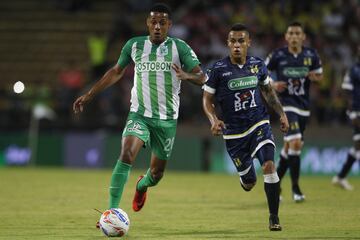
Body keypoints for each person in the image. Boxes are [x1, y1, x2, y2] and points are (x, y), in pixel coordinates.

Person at [73, 3, 205, 224]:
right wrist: (90, 94)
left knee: (157, 174)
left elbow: (202, 77)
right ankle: (111, 213)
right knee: (126, 154)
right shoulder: (134, 45)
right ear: (147, 23)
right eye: (153, 22)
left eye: (162, 22)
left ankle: (142, 185)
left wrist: (187, 75)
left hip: (166, 120)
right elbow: (116, 71)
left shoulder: (180, 48)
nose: (157, 26)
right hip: (139, 115)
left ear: (169, 25)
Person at [203, 23, 289, 231]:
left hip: (259, 124)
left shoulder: (258, 64)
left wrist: (282, 114)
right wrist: (214, 120)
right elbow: (207, 99)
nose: (237, 45)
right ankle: (246, 178)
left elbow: (268, 92)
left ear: (249, 42)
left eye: (241, 41)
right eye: (233, 41)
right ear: (228, 43)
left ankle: (274, 217)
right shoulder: (217, 69)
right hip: (234, 134)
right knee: (249, 183)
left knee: (269, 165)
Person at [265, 22, 323, 202]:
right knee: (296, 143)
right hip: (286, 105)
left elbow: (320, 75)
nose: (295, 36)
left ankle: (276, 184)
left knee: (291, 148)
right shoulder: (278, 55)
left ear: (303, 36)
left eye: (298, 33)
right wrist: (273, 84)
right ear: (286, 36)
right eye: (291, 33)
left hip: (303, 106)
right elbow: (262, 72)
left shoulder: (311, 55)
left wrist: (316, 78)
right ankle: (296, 189)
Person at [332, 45, 360, 191]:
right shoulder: (354, 70)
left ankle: (341, 177)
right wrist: (352, 113)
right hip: (357, 111)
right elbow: (346, 91)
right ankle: (340, 177)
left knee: (357, 146)